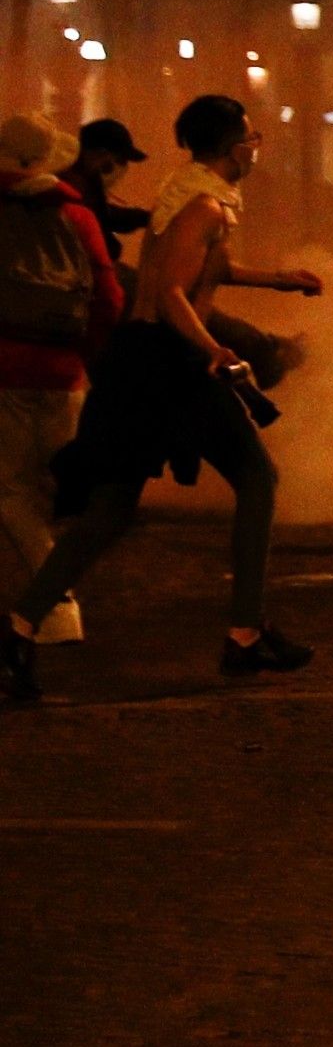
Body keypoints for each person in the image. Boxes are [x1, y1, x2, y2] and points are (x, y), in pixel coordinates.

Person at [0, 93, 323, 699]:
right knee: (257, 476)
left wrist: (280, 280)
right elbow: (174, 291)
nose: (257, 146)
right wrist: (214, 350)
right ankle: (245, 634)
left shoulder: (190, 195)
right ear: (232, 147)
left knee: (111, 509)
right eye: (251, 137)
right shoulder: (204, 206)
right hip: (168, 364)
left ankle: (18, 630)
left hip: (140, 362)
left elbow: (203, 270)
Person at [0, 116, 118, 648]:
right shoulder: (78, 215)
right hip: (66, 374)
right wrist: (89, 356)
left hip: (6, 373)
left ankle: (56, 605)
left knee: (13, 492)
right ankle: (52, 594)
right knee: (60, 487)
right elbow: (108, 298)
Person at [60, 119, 149, 269]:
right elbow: (95, 223)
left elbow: (103, 215)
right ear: (101, 154)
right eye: (119, 160)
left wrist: (142, 217)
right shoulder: (72, 185)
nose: (121, 168)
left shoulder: (87, 179)